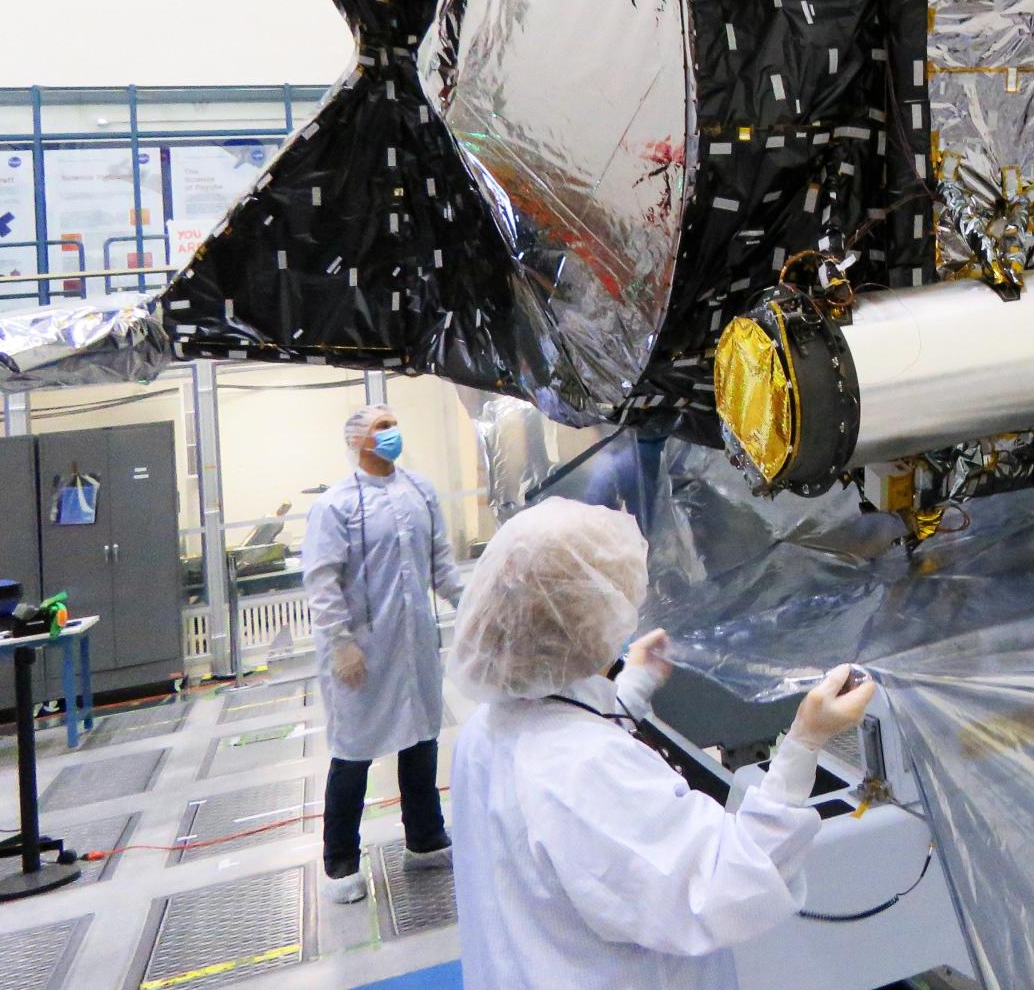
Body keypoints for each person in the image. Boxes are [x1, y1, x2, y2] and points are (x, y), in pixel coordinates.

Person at [447, 497, 875, 990]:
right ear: (577, 620)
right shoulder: (584, 769)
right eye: (615, 597)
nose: (628, 608)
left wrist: (635, 683)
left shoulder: (488, 730)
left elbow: (566, 767)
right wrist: (805, 740)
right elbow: (726, 885)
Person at [300, 403, 463, 903]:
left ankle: (426, 836)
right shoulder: (337, 505)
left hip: (414, 643)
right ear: (357, 441)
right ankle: (340, 861)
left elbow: (441, 564)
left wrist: (473, 605)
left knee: (421, 740)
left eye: (393, 424)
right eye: (380, 428)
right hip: (364, 650)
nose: (392, 434)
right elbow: (321, 580)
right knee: (354, 753)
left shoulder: (420, 490)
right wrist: (341, 643)